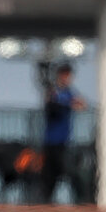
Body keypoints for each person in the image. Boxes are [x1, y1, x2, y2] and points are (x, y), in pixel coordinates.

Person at [36, 63, 84, 204]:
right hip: (51, 142)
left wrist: (70, 103)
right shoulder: (54, 91)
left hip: (64, 141)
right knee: (49, 175)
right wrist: (68, 104)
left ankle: (78, 201)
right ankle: (46, 202)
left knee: (67, 172)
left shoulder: (69, 92)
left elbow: (81, 104)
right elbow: (51, 104)